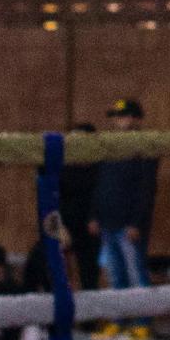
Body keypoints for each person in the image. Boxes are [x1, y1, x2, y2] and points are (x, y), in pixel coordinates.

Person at [89, 99, 158, 340]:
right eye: (117, 117)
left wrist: (136, 222)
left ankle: (142, 323)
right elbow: (100, 184)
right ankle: (118, 320)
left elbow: (146, 189)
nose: (118, 121)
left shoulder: (145, 147)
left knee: (136, 275)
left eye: (124, 116)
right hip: (108, 222)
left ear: (136, 118)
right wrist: (94, 215)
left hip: (128, 225)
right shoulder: (110, 146)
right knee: (115, 276)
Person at [59, 121, 101, 291]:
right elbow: (55, 199)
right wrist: (59, 227)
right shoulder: (63, 167)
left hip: (90, 226)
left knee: (89, 271)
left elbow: (101, 196)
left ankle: (91, 305)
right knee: (59, 268)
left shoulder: (99, 168)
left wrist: (95, 218)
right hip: (66, 224)